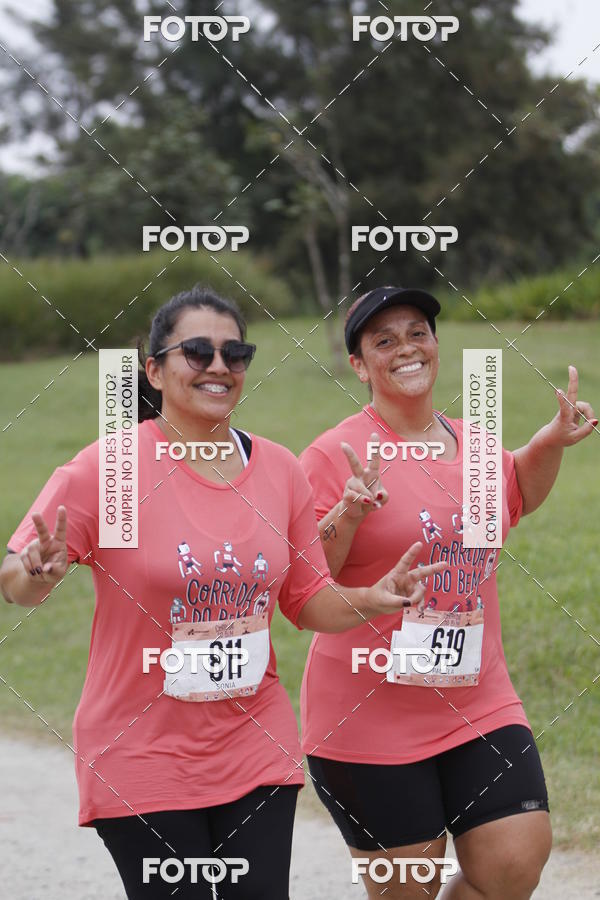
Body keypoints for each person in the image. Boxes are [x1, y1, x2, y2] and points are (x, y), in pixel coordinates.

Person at [0, 284, 447, 900]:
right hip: (141, 753)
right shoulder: (114, 469)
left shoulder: (278, 470)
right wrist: (36, 573)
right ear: (155, 371)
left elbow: (306, 600)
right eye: (197, 352)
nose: (218, 366)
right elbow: (15, 585)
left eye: (233, 353)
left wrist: (374, 595)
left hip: (253, 743)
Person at [299, 286, 597, 900]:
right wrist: (349, 513)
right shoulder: (335, 454)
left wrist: (548, 442)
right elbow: (303, 580)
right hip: (368, 710)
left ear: (435, 345)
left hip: (478, 698)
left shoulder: (476, 444)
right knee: (410, 889)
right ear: (359, 365)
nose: (406, 349)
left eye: (417, 333)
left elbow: (515, 496)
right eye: (384, 341)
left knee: (515, 862)